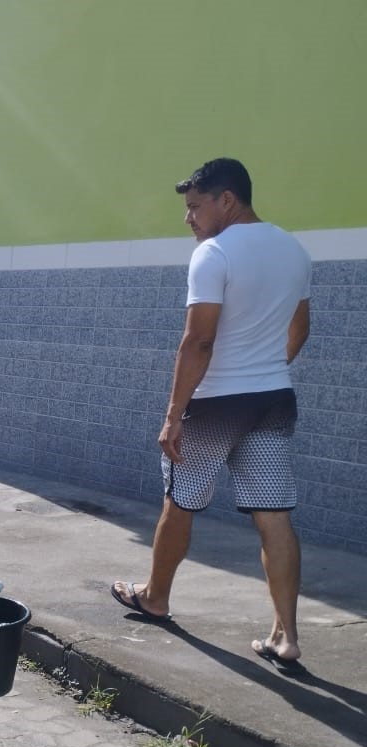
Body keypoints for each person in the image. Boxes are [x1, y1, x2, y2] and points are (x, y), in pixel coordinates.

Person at [109, 158, 312, 676]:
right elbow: (300, 328)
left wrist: (173, 414)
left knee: (180, 503)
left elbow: (198, 340)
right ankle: (286, 637)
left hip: (216, 404)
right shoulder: (293, 249)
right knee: (274, 515)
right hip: (271, 400)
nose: (189, 219)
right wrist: (268, 368)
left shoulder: (213, 253)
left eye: (195, 207)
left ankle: (155, 597)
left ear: (227, 200)